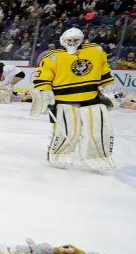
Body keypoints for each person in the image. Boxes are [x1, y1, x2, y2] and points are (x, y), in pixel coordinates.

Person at [31, 28, 116, 171]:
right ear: (62, 41)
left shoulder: (95, 51)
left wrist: (106, 87)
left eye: (76, 40)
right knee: (64, 128)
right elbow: (42, 77)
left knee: (97, 128)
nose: (72, 43)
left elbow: (103, 70)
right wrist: (45, 91)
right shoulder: (52, 57)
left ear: (82, 39)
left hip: (90, 97)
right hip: (63, 99)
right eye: (69, 40)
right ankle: (58, 151)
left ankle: (97, 155)